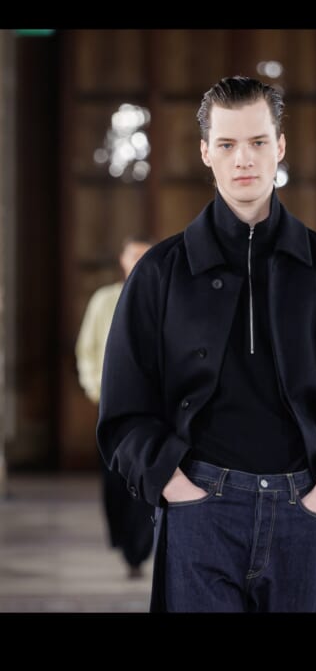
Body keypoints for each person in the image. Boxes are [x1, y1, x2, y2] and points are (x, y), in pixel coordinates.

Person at [97, 76, 316, 612]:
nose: (244, 159)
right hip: (199, 510)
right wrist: (171, 483)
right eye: (228, 144)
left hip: (303, 508)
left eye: (258, 142)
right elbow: (123, 402)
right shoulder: (160, 273)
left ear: (280, 146)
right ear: (205, 152)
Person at [76, 236, 155, 579]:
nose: (138, 261)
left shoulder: (163, 295)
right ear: (123, 259)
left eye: (145, 255)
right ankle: (124, 540)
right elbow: (87, 348)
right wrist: (96, 388)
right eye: (133, 255)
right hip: (111, 404)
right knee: (115, 478)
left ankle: (140, 547)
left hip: (152, 406)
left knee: (148, 472)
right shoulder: (104, 300)